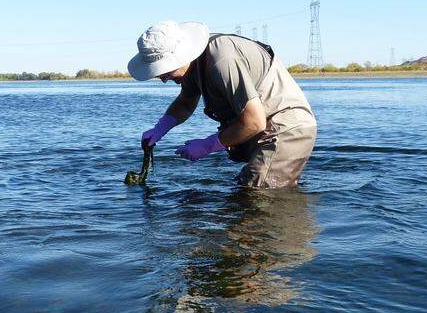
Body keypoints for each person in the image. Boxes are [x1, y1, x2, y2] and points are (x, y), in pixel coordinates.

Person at [128, 20, 317, 188]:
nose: (162, 78)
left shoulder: (222, 59)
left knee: (256, 195)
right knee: (245, 191)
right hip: (264, 127)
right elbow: (186, 101)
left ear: (182, 55)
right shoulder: (191, 65)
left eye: (165, 70)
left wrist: (208, 145)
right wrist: (161, 127)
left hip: (286, 127)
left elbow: (254, 122)